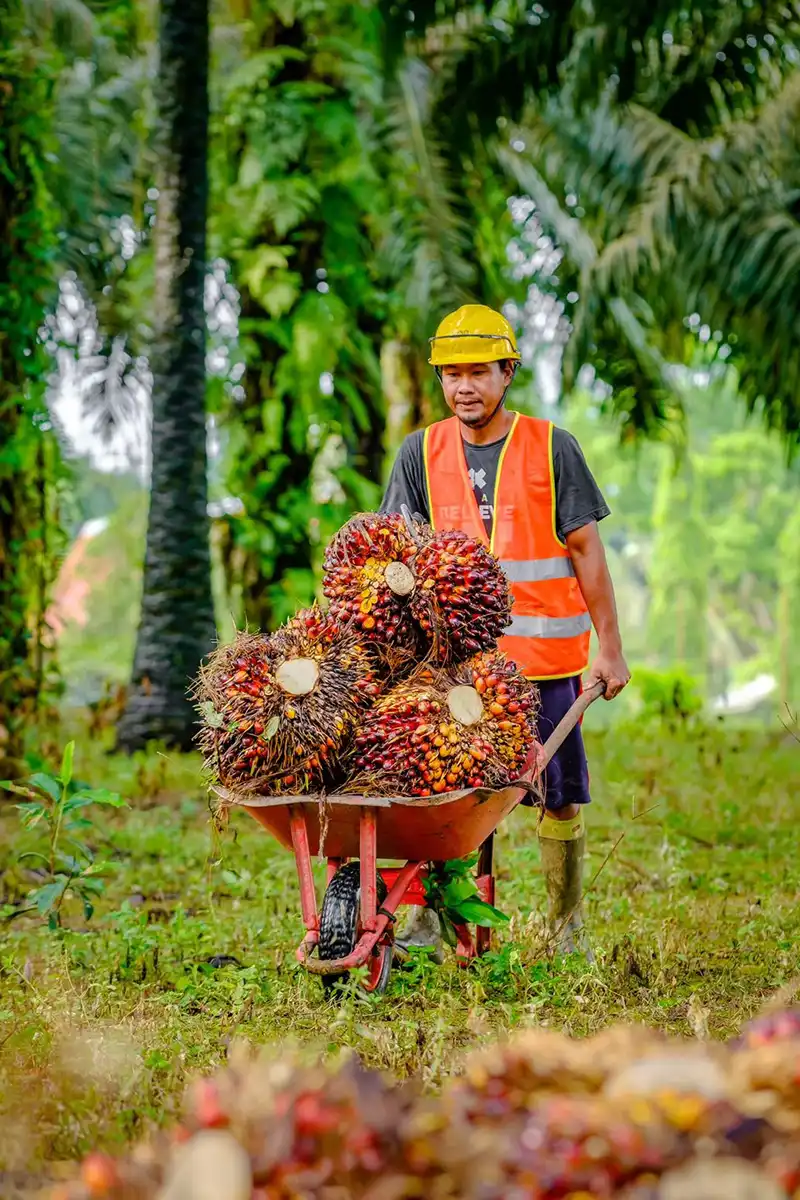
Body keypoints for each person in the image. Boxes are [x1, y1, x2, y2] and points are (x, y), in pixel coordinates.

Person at [380, 304, 630, 959]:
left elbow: (585, 551)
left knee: (560, 798)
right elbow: (395, 558)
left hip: (544, 665)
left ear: (508, 372)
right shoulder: (421, 453)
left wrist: (610, 647)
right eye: (451, 374)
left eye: (478, 372)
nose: (464, 386)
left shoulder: (553, 447)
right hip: (456, 671)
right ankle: (439, 923)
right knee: (450, 797)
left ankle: (565, 923)